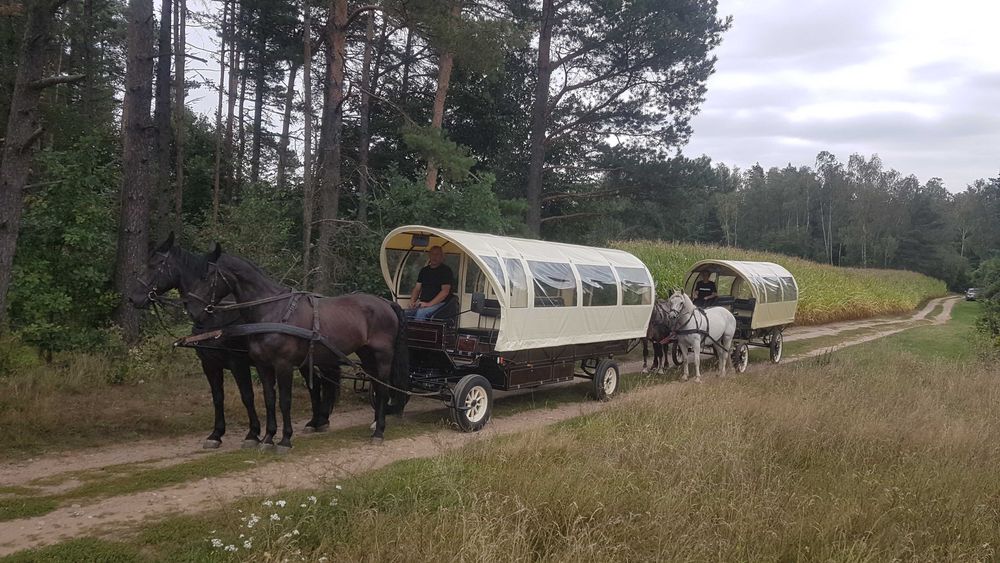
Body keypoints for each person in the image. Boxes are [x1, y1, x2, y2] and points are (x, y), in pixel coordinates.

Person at [406, 246, 454, 320]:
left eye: (437, 254)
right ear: (429, 255)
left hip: (440, 304)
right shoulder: (424, 271)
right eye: (432, 254)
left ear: (442, 256)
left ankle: (419, 328)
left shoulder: (446, 271)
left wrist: (429, 304)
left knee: (421, 313)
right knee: (405, 313)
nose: (434, 257)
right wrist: (412, 302)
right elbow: (417, 288)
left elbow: (445, 292)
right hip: (423, 303)